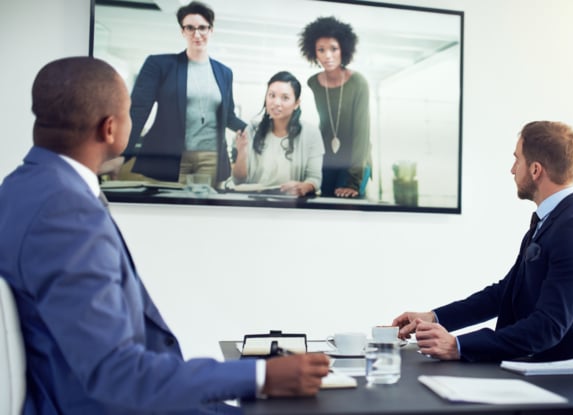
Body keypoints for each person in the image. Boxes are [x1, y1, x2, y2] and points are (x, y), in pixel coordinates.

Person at [0, 56, 329, 414]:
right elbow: (117, 374)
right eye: (130, 112)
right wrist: (262, 375)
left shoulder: (23, 187)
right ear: (111, 128)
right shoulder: (64, 210)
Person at [392, 121, 573, 362]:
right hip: (528, 367)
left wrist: (458, 346)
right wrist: (433, 317)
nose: (512, 169)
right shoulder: (551, 222)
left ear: (535, 170)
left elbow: (548, 326)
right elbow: (504, 293)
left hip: (556, 381)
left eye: (517, 160)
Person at [120, 1, 246, 187]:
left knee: (204, 212)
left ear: (211, 30)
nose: (197, 34)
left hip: (211, 156)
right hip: (170, 156)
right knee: (168, 211)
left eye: (202, 28)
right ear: (182, 31)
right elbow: (138, 110)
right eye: (190, 28)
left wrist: (256, 129)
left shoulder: (224, 72)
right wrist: (122, 153)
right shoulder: (160, 65)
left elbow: (228, 116)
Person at [299, 16, 372, 198]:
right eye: (321, 50)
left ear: (343, 50)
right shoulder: (312, 83)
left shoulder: (358, 82)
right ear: (314, 53)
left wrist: (353, 181)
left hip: (356, 162)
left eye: (334, 49)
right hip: (327, 161)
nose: (328, 55)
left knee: (347, 206)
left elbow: (362, 134)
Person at [230, 71, 323, 196]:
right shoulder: (252, 130)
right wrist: (242, 152)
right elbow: (238, 180)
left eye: (285, 98)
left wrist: (303, 187)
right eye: (272, 95)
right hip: (255, 203)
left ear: (296, 104)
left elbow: (315, 179)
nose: (276, 102)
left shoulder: (311, 134)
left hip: (291, 204)